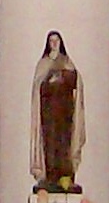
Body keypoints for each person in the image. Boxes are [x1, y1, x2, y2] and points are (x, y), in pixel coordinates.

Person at [31, 31, 85, 191]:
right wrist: (50, 80)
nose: (54, 44)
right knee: (50, 145)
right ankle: (50, 176)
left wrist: (63, 77)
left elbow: (75, 82)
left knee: (64, 144)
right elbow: (39, 86)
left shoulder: (67, 62)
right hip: (48, 114)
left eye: (57, 40)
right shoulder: (43, 64)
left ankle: (65, 176)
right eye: (51, 41)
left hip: (64, 113)